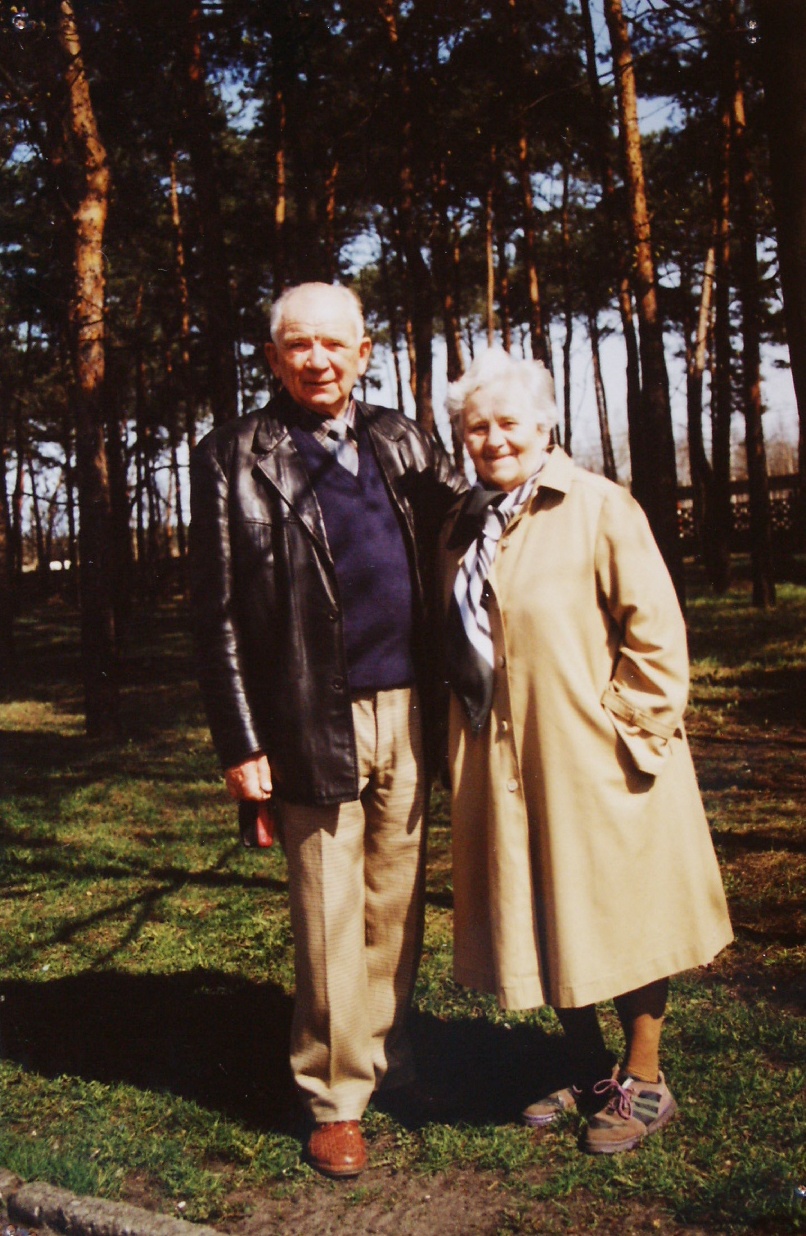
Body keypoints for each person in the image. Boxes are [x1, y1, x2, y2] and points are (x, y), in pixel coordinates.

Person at [189, 282, 464, 1177]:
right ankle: (334, 1099)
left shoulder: (404, 439)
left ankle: (389, 1061)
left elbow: (466, 533)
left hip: (411, 709)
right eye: (298, 345)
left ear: (364, 352)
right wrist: (241, 743)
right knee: (327, 911)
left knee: (395, 904)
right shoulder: (232, 455)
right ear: (273, 358)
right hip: (307, 715)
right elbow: (216, 615)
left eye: (334, 344)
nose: (318, 360)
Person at [440, 348, 733, 1155]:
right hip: (500, 758)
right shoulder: (460, 526)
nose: (494, 440)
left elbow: (657, 635)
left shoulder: (599, 507)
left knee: (623, 908)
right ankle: (586, 1066)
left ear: (545, 425)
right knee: (540, 906)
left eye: (509, 423)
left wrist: (627, 735)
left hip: (595, 753)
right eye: (477, 428)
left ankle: (645, 1077)